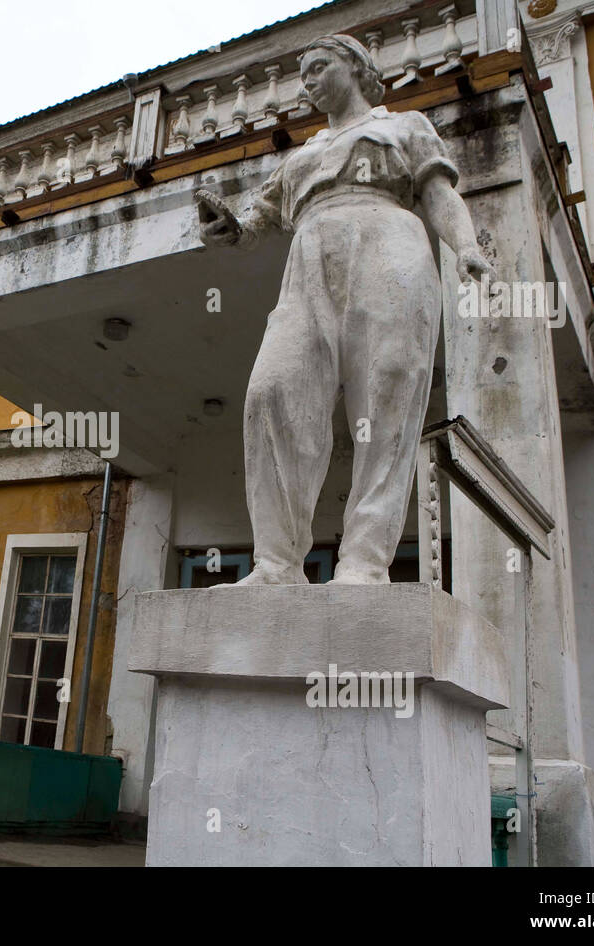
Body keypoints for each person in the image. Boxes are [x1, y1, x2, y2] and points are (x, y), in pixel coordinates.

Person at [197, 33, 491, 586]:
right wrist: (225, 229)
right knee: (273, 390)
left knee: (388, 392)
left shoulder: (404, 127)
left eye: (317, 67)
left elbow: (439, 195)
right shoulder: (301, 157)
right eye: (301, 74)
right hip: (309, 260)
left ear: (354, 67)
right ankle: (278, 563)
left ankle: (365, 559)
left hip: (389, 245)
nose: (306, 82)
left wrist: (467, 247)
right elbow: (252, 227)